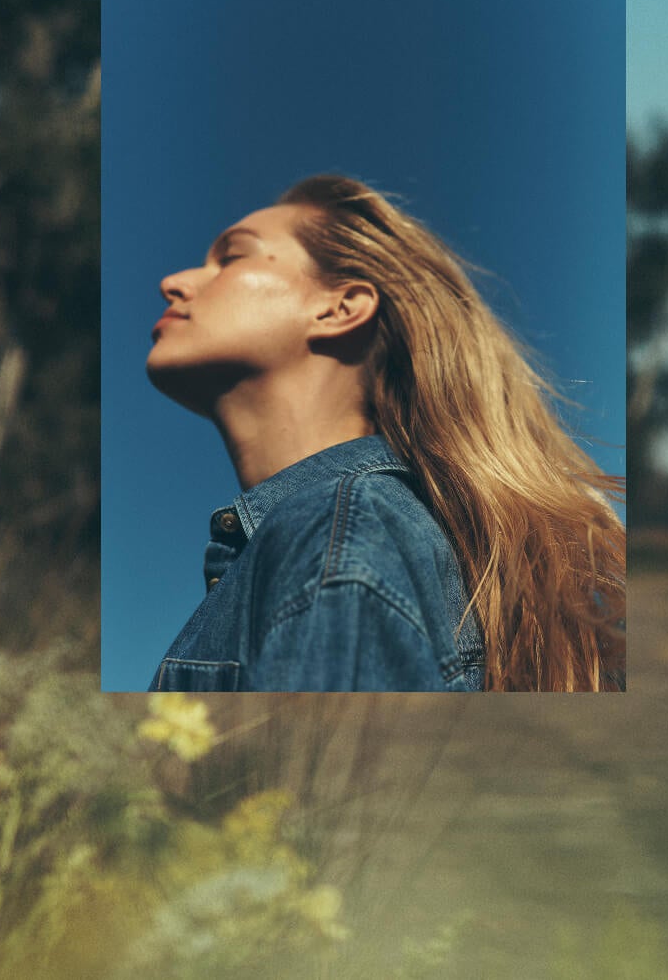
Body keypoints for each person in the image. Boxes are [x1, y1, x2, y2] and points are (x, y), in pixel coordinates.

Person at [145, 174, 624, 693]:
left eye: (232, 257)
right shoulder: (350, 531)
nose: (174, 281)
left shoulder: (337, 529)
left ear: (340, 308)